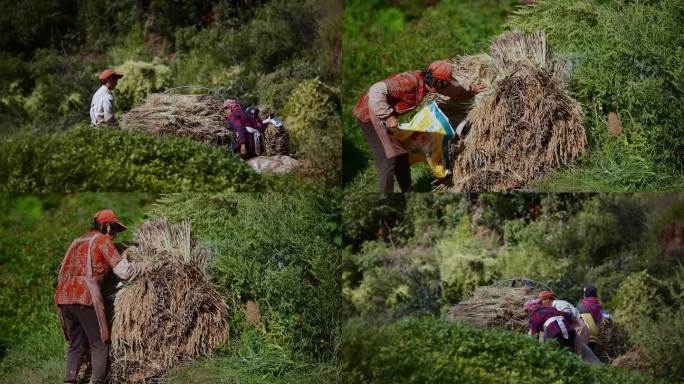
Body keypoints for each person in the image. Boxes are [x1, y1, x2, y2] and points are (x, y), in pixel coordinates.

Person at [353, 60, 486, 192]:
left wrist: (471, 88)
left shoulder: (430, 82)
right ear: (434, 81)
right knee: (389, 158)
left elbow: (453, 87)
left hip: (381, 112)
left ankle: (407, 191)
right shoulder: (409, 81)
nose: (445, 87)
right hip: (370, 113)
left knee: (401, 155)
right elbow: (376, 90)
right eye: (443, 83)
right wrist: (388, 116)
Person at [54, 210, 146, 384]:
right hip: (85, 295)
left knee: (76, 344)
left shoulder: (76, 242)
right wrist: (144, 266)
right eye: (115, 229)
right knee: (99, 343)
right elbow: (123, 272)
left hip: (63, 296)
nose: (115, 235)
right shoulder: (102, 241)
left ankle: (69, 381)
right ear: (108, 226)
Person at [577, 284, 603, 352]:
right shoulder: (598, 306)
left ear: (586, 294)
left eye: (584, 293)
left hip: (586, 336)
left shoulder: (582, 307)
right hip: (595, 337)